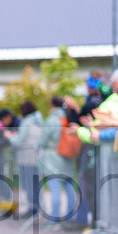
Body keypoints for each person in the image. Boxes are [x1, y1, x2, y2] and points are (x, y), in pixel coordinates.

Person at [36, 96, 77, 226]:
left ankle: (54, 220)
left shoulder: (52, 120)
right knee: (69, 188)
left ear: (52, 106)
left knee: (55, 189)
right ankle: (70, 218)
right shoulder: (69, 118)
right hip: (69, 157)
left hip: (53, 158)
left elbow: (41, 141)